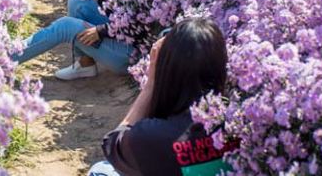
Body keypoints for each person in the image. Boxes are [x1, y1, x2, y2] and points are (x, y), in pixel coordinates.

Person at [90, 18, 239, 176]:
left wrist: (150, 85)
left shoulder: (153, 135)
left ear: (168, 68)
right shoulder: (242, 123)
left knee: (100, 170)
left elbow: (113, 145)